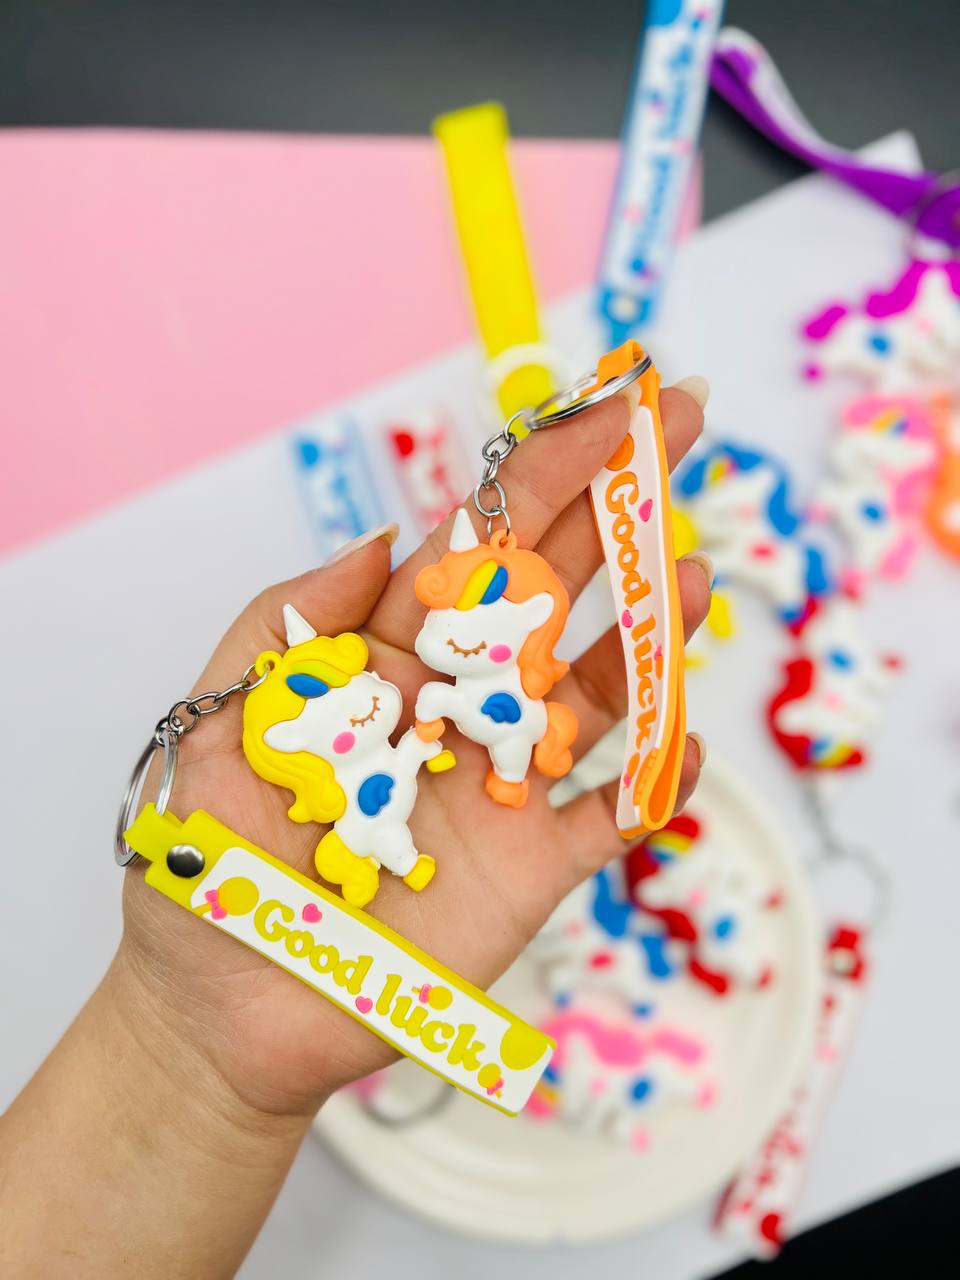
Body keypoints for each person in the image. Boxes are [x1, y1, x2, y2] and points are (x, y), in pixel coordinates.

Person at [0, 383, 711, 1277]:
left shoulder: (452, 680)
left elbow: (417, 740)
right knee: (387, 842)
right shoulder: (339, 753)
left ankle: (439, 824)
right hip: (368, 827)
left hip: (442, 773)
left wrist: (199, 1064)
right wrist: (192, 1048)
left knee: (425, 816)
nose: (369, 706)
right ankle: (393, 858)